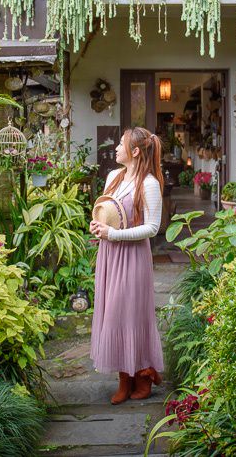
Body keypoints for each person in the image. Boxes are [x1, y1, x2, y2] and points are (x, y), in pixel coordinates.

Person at [89, 127, 165, 404]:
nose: (116, 149)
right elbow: (108, 212)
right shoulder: (113, 176)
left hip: (132, 256)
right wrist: (99, 226)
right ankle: (124, 377)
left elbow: (153, 228)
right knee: (114, 314)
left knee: (131, 314)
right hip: (109, 254)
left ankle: (143, 374)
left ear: (134, 151)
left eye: (121, 144)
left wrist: (115, 235)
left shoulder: (149, 184)